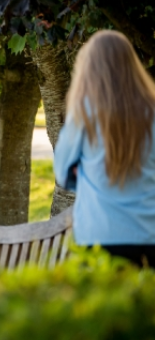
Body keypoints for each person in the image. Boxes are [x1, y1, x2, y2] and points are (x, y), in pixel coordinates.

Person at [54, 30, 155, 267]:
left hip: (99, 234)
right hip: (149, 233)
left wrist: (84, 173)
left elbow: (62, 172)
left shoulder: (84, 113)